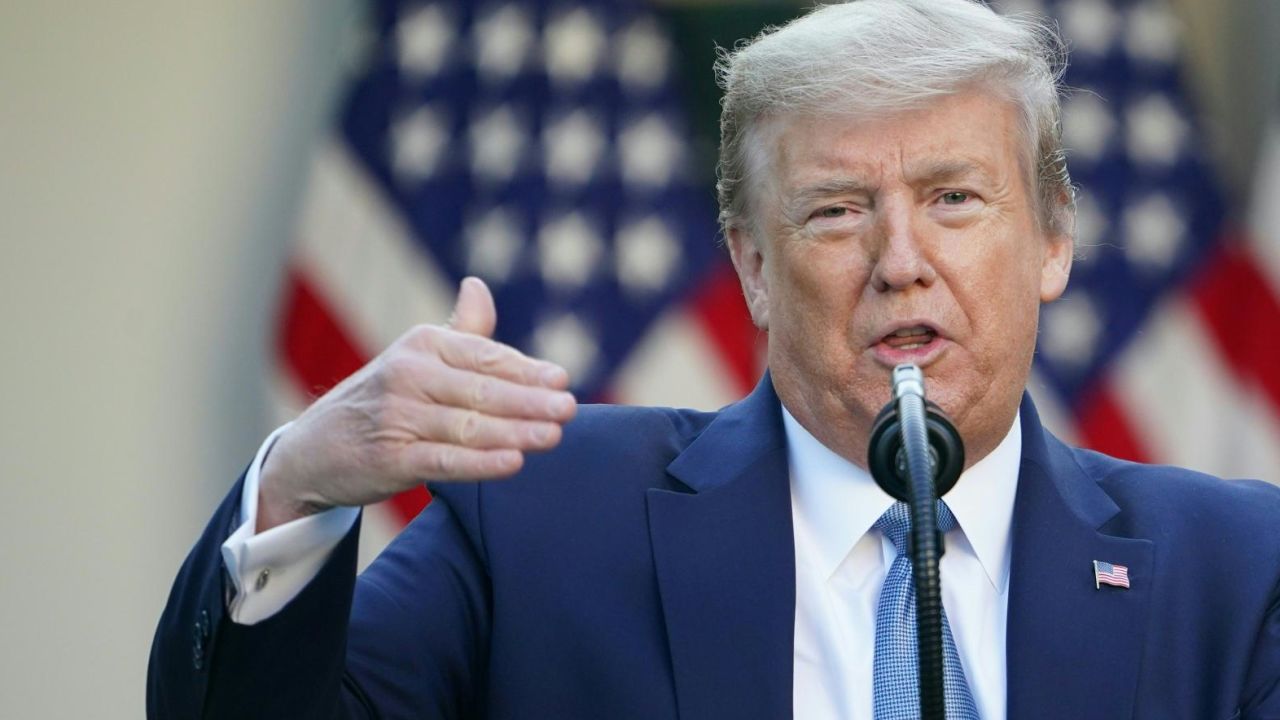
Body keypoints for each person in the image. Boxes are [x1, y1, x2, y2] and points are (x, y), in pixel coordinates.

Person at [148, 0, 1280, 718]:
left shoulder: (1232, 569)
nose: (899, 261)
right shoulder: (544, 517)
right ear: (748, 265)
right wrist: (297, 483)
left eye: (952, 199)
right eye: (835, 212)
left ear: (1050, 242)